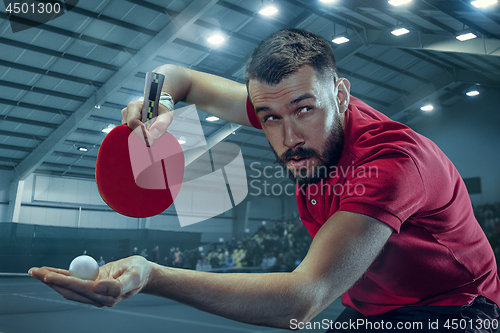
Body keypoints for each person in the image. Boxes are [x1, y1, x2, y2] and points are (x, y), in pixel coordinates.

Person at [28, 29, 499, 332]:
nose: (288, 136)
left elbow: (301, 300)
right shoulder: (286, 108)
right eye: (269, 116)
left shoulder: (391, 162)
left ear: (340, 94)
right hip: (374, 308)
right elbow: (178, 75)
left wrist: (153, 274)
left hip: (454, 311)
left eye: (304, 110)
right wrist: (157, 104)